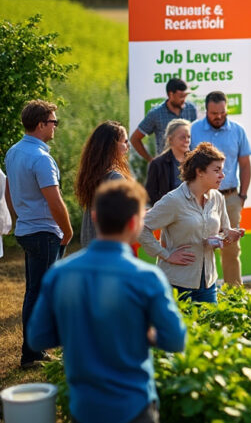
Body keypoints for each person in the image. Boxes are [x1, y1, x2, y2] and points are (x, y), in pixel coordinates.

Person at [27, 179, 186, 423]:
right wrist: (147, 334)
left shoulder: (59, 273)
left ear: (94, 217)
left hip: (84, 407)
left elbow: (38, 338)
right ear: (135, 223)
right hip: (134, 405)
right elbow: (175, 339)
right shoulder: (147, 278)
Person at [4, 100, 73, 368]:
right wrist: (67, 231)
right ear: (42, 124)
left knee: (34, 291)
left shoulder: (13, 151)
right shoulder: (41, 158)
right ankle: (31, 354)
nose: (56, 126)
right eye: (53, 121)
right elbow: (55, 202)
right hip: (44, 232)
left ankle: (35, 349)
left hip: (28, 230)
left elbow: (9, 191)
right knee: (40, 294)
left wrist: (19, 216)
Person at [139, 142, 240, 303]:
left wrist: (227, 236)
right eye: (217, 170)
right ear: (199, 172)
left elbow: (222, 231)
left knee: (210, 327)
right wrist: (166, 255)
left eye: (222, 170)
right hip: (177, 284)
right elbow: (141, 227)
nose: (222, 175)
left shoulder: (217, 198)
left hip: (208, 283)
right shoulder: (174, 200)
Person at [190, 91, 251, 287]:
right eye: (213, 113)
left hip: (230, 198)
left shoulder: (238, 130)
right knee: (200, 245)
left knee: (231, 248)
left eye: (222, 112)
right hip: (201, 199)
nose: (218, 116)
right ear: (206, 110)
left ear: (226, 109)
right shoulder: (194, 130)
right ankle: (199, 291)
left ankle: (234, 294)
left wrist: (242, 195)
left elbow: (245, 164)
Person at [75, 121, 133, 247]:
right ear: (112, 146)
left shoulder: (92, 175)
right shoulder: (115, 178)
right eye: (125, 142)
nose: (128, 146)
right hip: (110, 247)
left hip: (90, 244)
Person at [130, 78, 197, 161]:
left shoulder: (191, 109)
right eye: (181, 96)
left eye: (185, 96)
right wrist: (151, 160)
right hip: (165, 166)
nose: (183, 100)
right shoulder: (156, 113)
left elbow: (195, 135)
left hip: (187, 165)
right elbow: (135, 138)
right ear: (170, 94)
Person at [145, 118, 191, 205]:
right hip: (168, 214)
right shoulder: (157, 164)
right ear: (170, 139)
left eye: (188, 137)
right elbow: (150, 194)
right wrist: (167, 204)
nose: (187, 140)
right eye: (182, 137)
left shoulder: (196, 162)